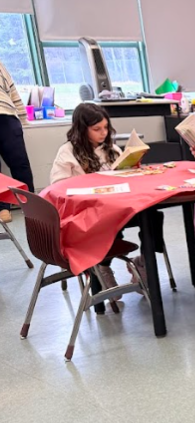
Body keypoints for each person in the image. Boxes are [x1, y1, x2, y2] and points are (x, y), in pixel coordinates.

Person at [49, 103, 132, 300]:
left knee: (153, 215)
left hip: (115, 205)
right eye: (97, 129)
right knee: (110, 225)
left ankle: (145, 264)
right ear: (81, 128)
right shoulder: (68, 151)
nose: (103, 133)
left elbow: (125, 178)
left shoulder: (110, 148)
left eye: (106, 128)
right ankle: (102, 268)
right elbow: (58, 187)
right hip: (85, 213)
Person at [0, 58, 34, 223]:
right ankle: (2, 208)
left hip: (7, 116)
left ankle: (30, 202)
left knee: (20, 162)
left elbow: (12, 91)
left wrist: (23, 118)